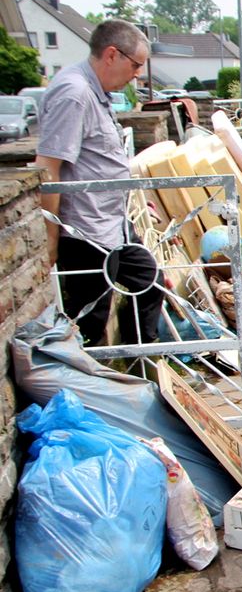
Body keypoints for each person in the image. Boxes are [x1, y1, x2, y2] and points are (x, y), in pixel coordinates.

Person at [35, 19, 164, 347]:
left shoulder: (96, 91)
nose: (137, 75)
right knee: (91, 317)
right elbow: (48, 168)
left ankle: (144, 362)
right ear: (111, 55)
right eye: (136, 65)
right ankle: (96, 384)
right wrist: (51, 239)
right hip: (86, 232)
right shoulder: (74, 93)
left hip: (113, 225)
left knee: (149, 282)